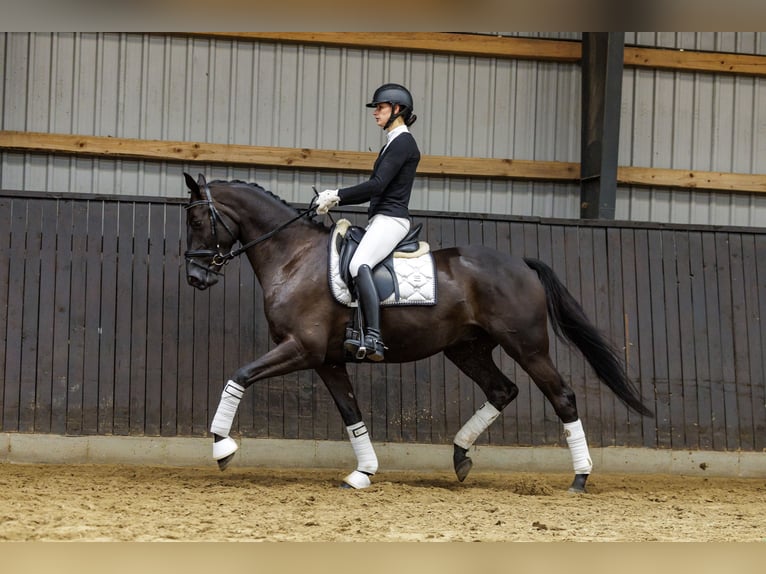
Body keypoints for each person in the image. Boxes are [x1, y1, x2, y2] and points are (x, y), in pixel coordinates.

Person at [315, 83, 420, 361]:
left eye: (380, 107)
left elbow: (378, 185)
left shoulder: (403, 143)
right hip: (380, 219)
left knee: (358, 263)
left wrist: (337, 196)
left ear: (397, 110)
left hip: (392, 219)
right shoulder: (393, 142)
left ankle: (373, 335)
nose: (375, 113)